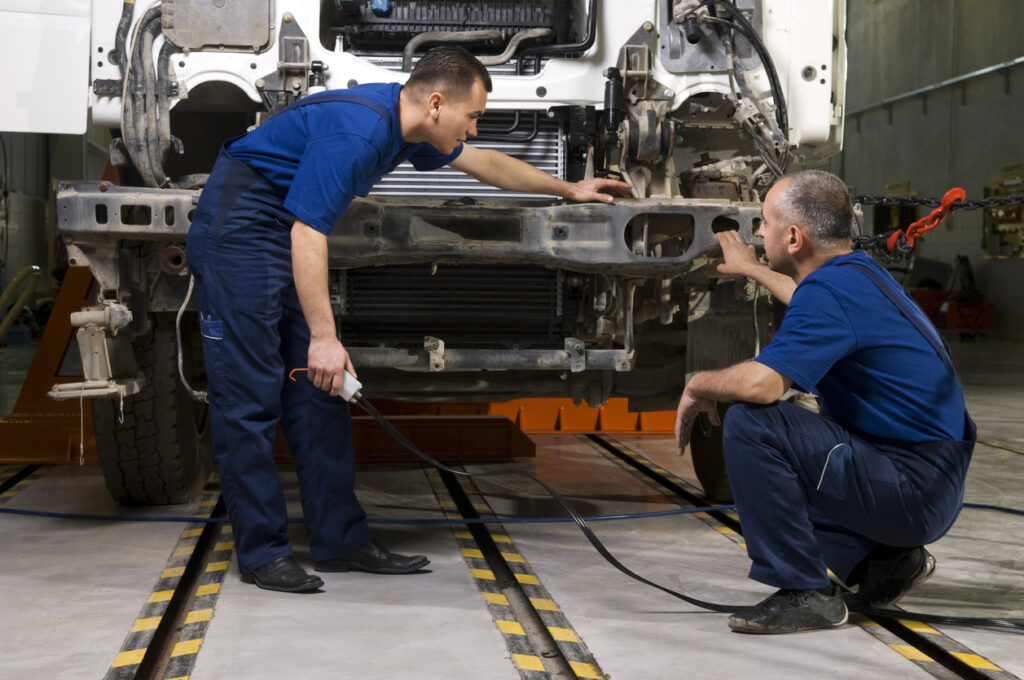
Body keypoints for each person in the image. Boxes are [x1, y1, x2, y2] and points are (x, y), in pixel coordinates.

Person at [185, 46, 631, 593]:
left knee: (320, 392)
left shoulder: (408, 126)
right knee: (250, 395)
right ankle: (263, 553)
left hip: (282, 231)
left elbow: (484, 164)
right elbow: (309, 231)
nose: (473, 129)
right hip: (239, 229)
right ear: (437, 104)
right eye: (473, 116)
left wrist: (569, 189)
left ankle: (340, 540)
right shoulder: (358, 133)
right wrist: (323, 336)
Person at [674, 170, 976, 633]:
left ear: (794, 238)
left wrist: (697, 384)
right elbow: (807, 299)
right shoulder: (856, 273)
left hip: (912, 490)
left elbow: (762, 387)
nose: (758, 232)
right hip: (930, 480)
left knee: (754, 425)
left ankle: (806, 592)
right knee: (805, 435)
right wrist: (753, 268)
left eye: (765, 223)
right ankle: (887, 562)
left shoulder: (831, 292)